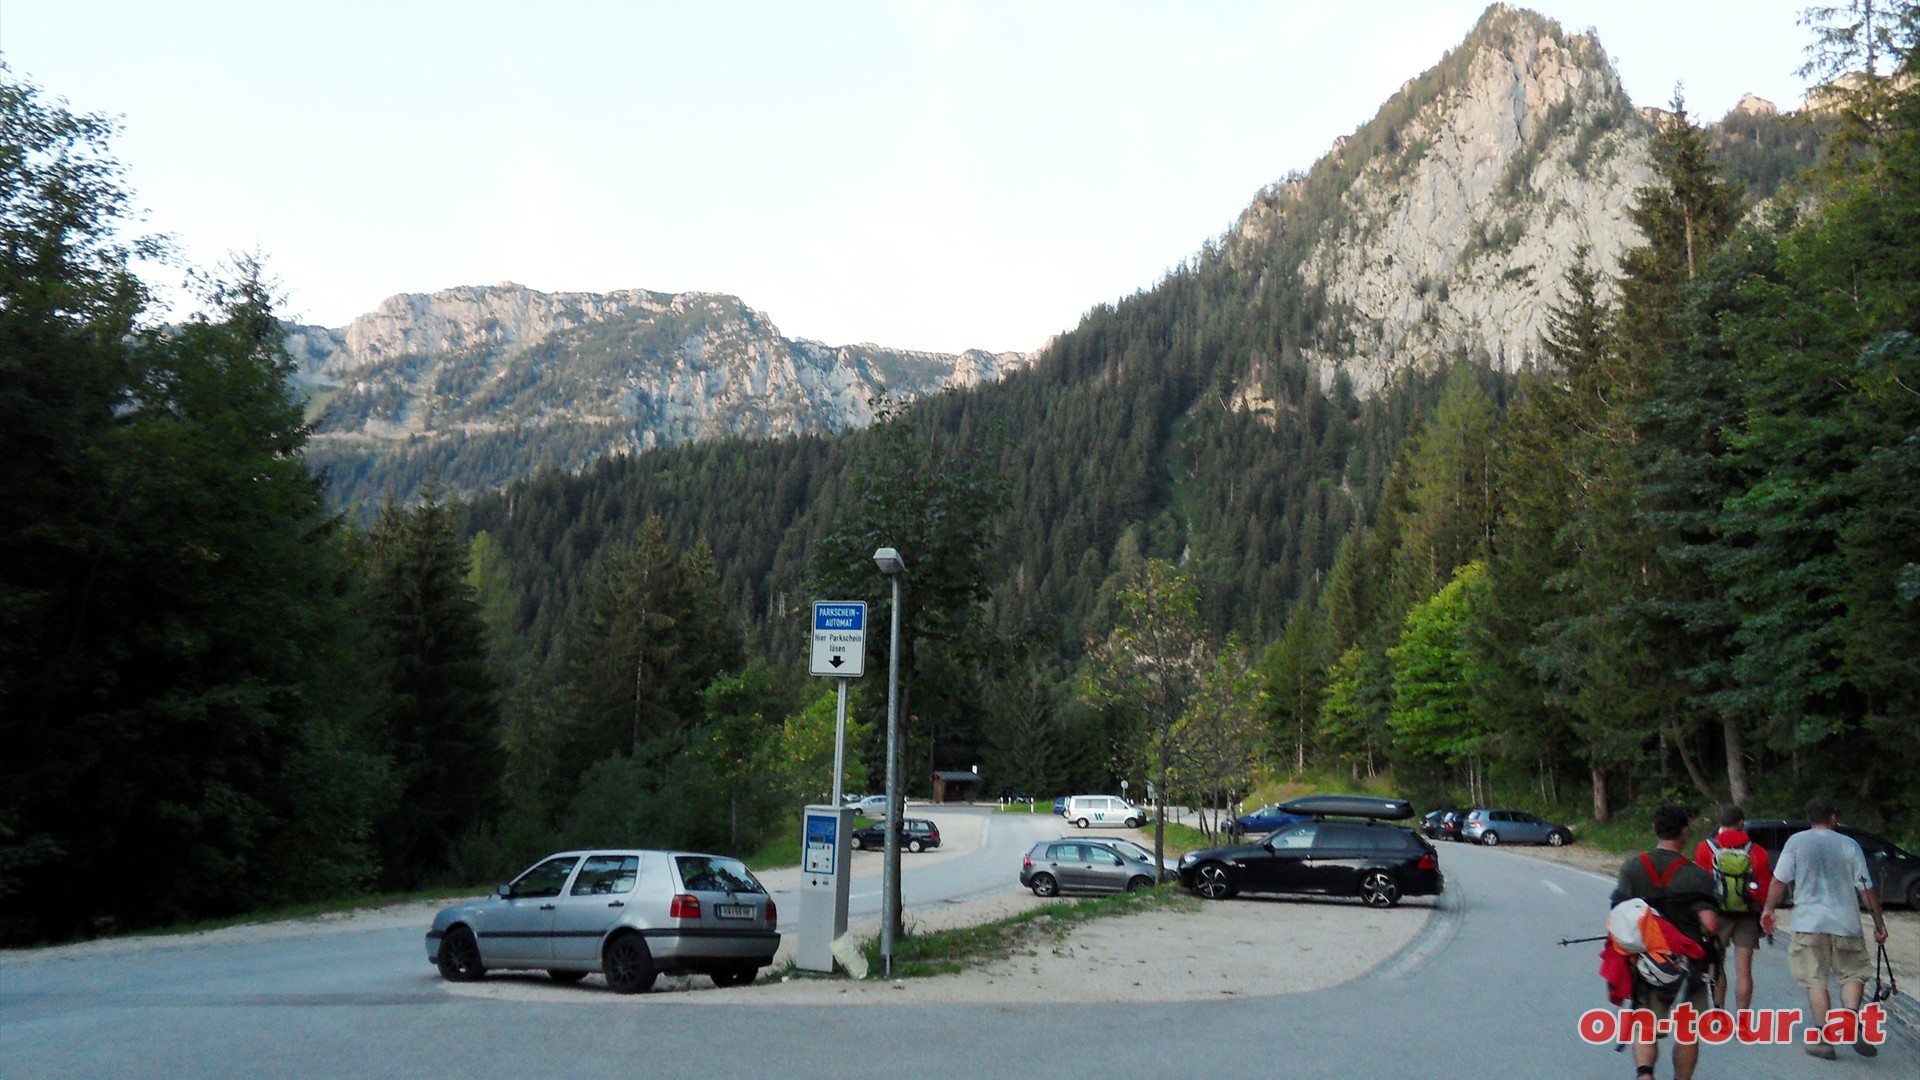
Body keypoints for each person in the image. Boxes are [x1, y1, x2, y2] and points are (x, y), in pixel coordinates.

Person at [1759, 797, 1890, 1060]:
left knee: (1815, 979)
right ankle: (1850, 1019)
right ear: (1833, 818)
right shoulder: (1849, 844)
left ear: (1810, 818)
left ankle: (1823, 1040)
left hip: (1809, 922)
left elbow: (1778, 880)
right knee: (1852, 974)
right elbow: (1866, 888)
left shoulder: (1796, 842)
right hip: (1846, 923)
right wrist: (1879, 924)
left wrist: (1768, 910)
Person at [1611, 804, 1721, 1080]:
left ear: (1655, 830)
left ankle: (1645, 1073)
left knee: (1646, 1026)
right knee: (1687, 1030)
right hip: (1687, 966)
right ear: (1686, 833)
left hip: (1647, 963)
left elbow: (1618, 915)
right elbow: (1709, 924)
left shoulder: (1633, 867)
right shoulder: (1698, 876)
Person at [1693, 804, 1772, 1014]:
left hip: (1716, 914)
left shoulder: (1706, 848)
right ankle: (1743, 1019)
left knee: (1716, 965)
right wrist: (1763, 914)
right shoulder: (1757, 851)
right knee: (1744, 969)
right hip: (1747, 914)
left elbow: (1699, 884)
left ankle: (1719, 1013)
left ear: (1720, 824)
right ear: (1741, 824)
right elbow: (1764, 888)